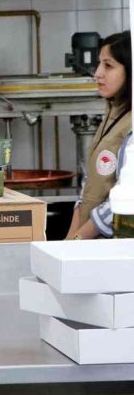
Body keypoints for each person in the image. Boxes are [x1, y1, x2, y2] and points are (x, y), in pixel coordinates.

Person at [66, 31, 131, 240]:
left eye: (108, 66)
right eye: (98, 64)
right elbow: (90, 182)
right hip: (89, 242)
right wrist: (69, 239)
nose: (98, 73)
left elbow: (126, 193)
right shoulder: (113, 113)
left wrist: (80, 239)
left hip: (112, 245)